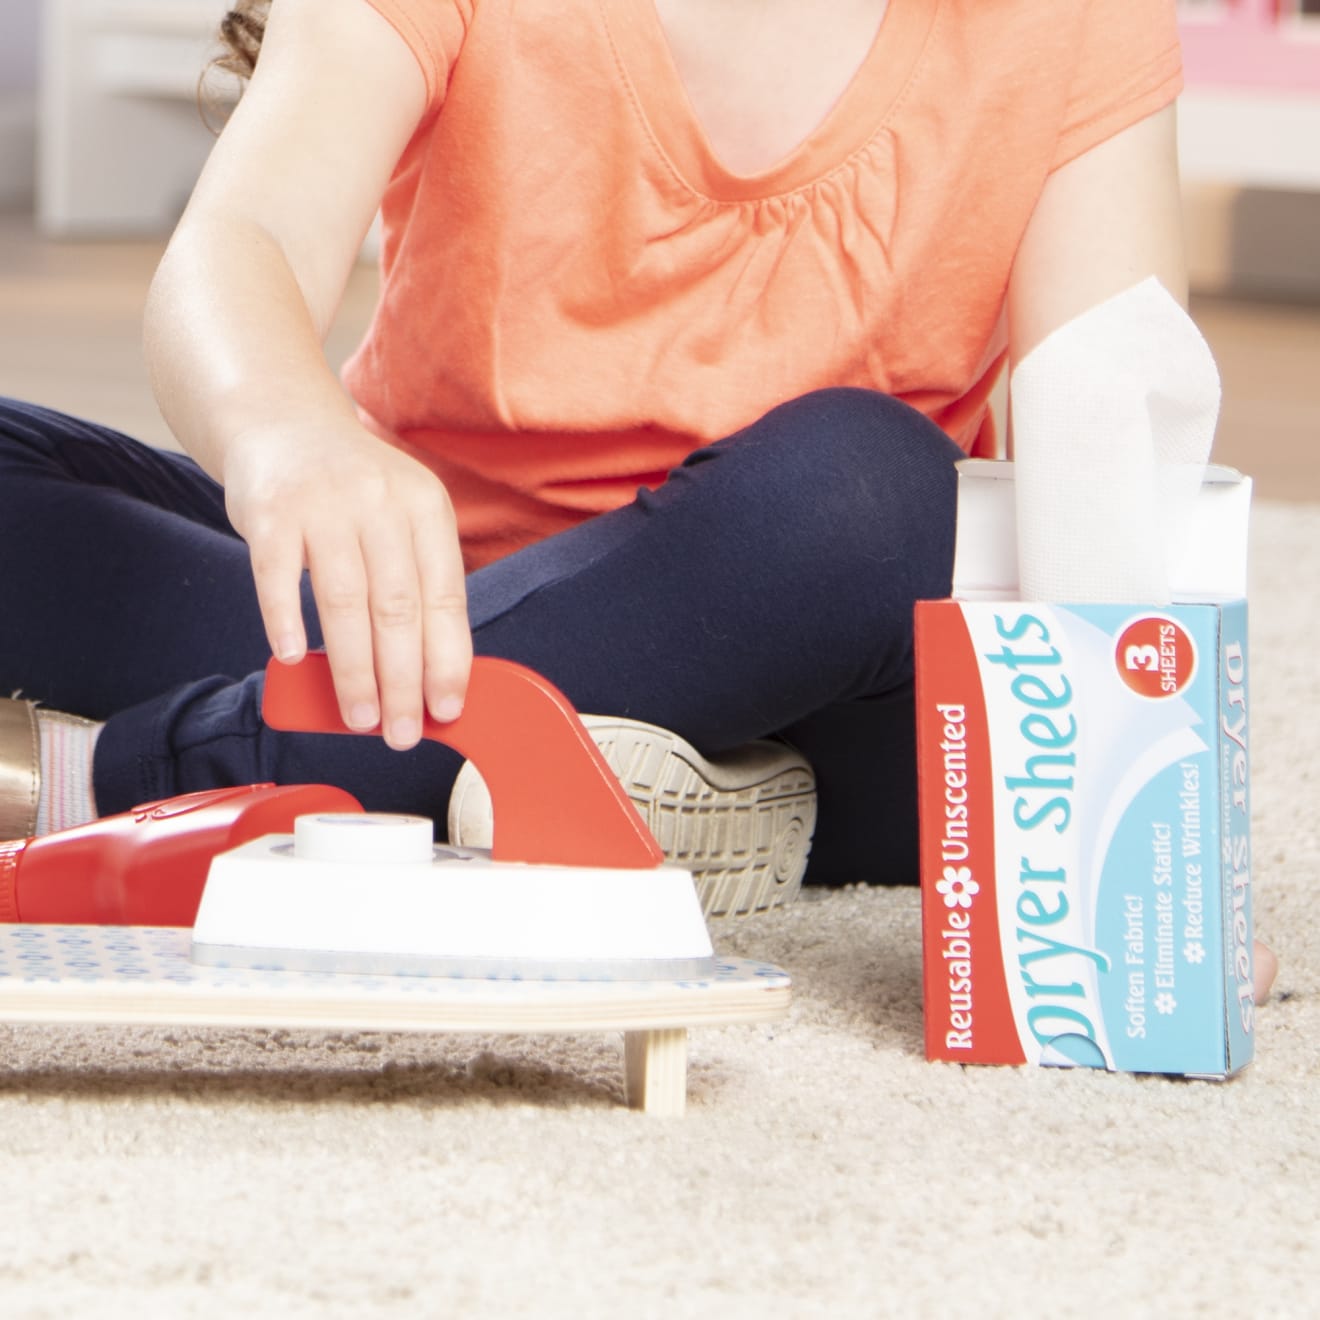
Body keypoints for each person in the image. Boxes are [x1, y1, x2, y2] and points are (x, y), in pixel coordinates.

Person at [0, 0, 1277, 992]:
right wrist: (294, 436)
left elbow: (1113, 457)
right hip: (427, 617)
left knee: (875, 493)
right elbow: (242, 243)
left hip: (836, 662)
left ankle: (134, 777)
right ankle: (584, 776)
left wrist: (1144, 864)